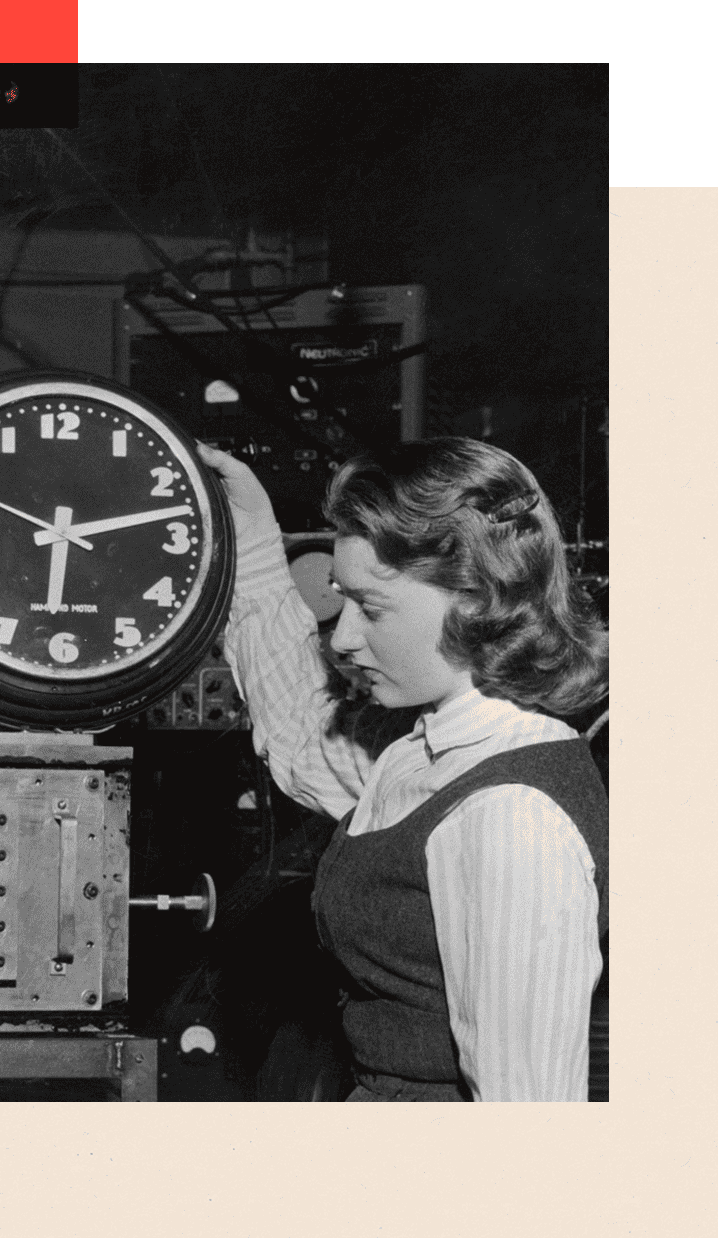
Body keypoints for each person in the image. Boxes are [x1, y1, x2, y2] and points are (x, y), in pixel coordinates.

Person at [197, 436, 607, 1101]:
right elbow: (305, 737)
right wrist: (253, 537)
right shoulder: (422, 749)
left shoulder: (511, 814)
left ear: (476, 599)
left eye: (373, 609)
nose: (342, 637)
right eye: (344, 600)